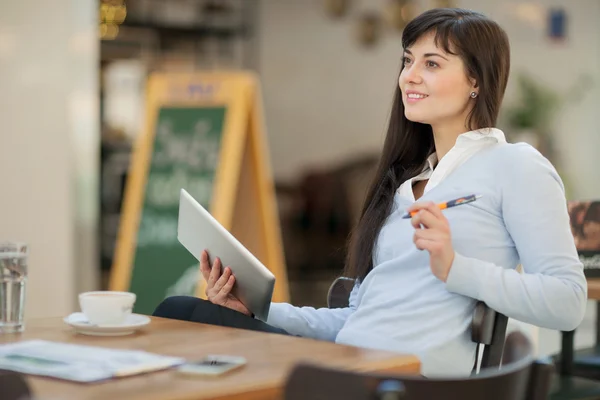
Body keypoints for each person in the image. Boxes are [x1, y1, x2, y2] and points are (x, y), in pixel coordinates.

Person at [153, 8, 587, 377]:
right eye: (407, 61)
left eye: (431, 64)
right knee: (184, 309)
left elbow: (568, 303)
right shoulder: (405, 191)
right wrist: (254, 309)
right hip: (349, 360)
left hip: (400, 377)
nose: (408, 77)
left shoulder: (516, 165)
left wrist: (456, 267)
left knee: (180, 321)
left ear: (477, 80)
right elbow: (356, 320)